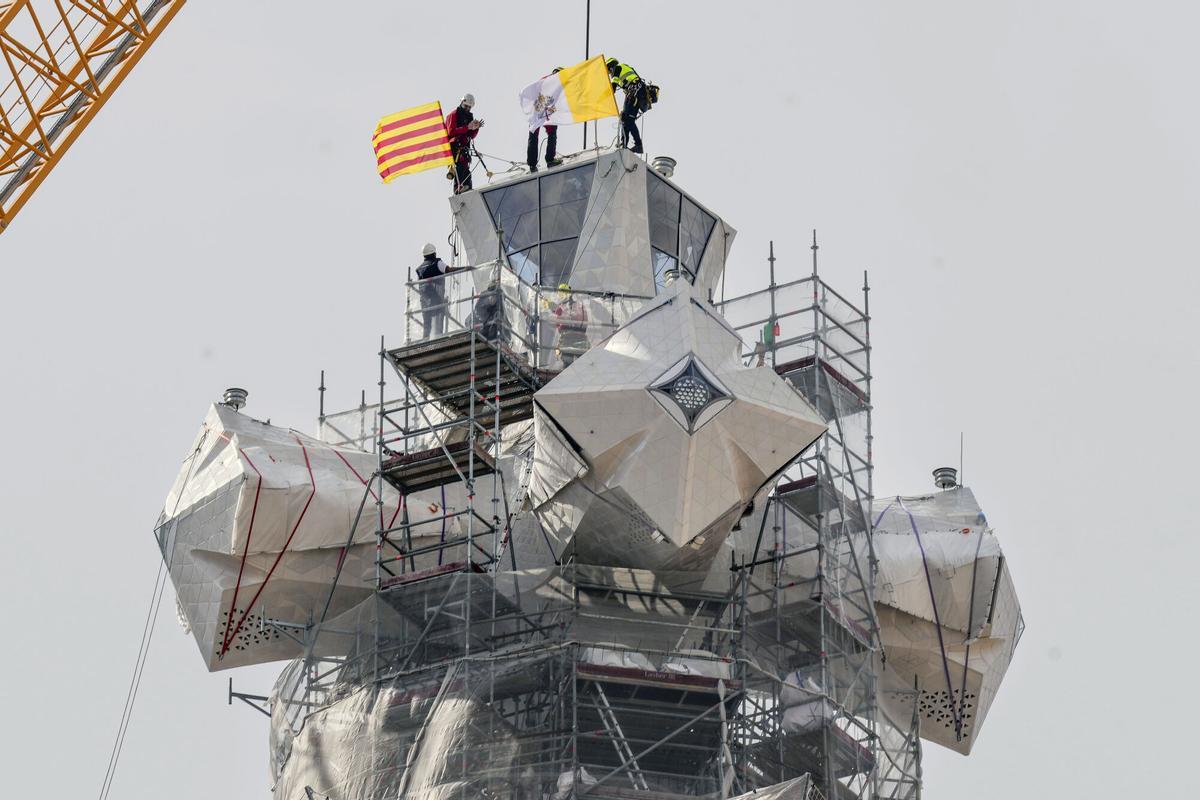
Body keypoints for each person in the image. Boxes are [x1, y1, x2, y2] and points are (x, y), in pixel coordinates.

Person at [415, 243, 462, 339]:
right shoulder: (437, 263)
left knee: (427, 326)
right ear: (434, 253)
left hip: (425, 301)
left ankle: (424, 344)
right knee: (440, 320)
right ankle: (439, 339)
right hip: (436, 299)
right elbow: (448, 270)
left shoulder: (419, 269)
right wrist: (464, 268)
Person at [607, 58, 649, 154]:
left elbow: (613, 87)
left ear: (611, 67)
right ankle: (625, 144)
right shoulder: (625, 67)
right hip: (637, 93)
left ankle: (635, 145)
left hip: (634, 93)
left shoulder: (617, 68)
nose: (610, 74)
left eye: (609, 71)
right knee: (626, 119)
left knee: (627, 119)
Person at [528, 67, 566, 173]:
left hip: (538, 108)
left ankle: (532, 164)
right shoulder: (555, 82)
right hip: (545, 108)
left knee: (533, 134)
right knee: (552, 133)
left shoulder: (544, 79)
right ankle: (550, 159)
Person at [445, 94, 483, 194]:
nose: (467, 109)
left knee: (466, 169)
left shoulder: (469, 116)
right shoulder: (453, 115)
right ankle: (458, 188)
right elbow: (451, 132)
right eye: (466, 106)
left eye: (469, 107)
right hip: (455, 148)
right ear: (462, 102)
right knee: (460, 167)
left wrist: (476, 128)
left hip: (464, 148)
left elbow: (471, 135)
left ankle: (467, 188)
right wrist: (468, 127)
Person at [552, 283, 589, 367]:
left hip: (567, 339)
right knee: (583, 364)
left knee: (567, 364)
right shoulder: (580, 305)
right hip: (582, 337)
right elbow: (585, 321)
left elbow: (558, 324)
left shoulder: (560, 308)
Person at [473, 276, 504, 342]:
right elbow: (478, 310)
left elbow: (501, 311)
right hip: (484, 322)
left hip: (493, 324)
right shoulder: (484, 296)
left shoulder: (500, 298)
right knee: (484, 333)